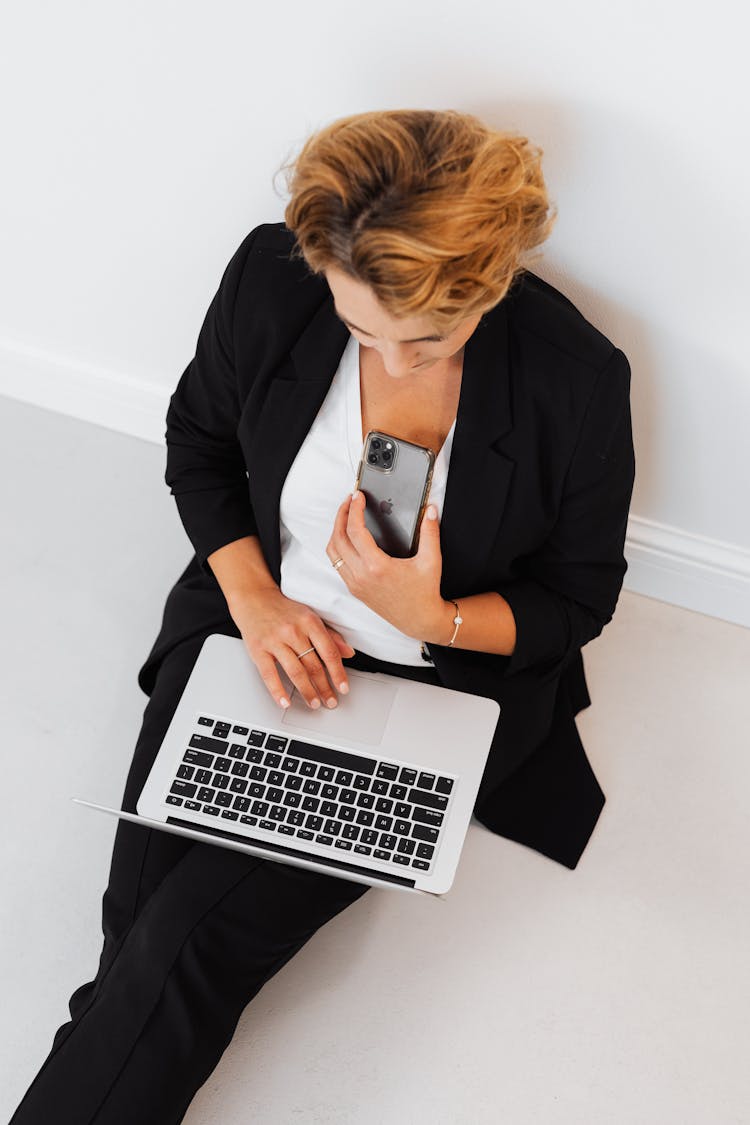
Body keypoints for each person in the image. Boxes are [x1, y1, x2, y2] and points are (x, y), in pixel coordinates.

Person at [11, 108, 635, 1123]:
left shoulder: (577, 380)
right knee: (140, 934)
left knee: (177, 953)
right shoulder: (272, 279)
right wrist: (256, 603)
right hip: (255, 630)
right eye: (359, 331)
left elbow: (578, 600)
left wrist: (428, 614)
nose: (389, 363)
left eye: (428, 336)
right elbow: (199, 445)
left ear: (490, 285)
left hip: (430, 679)